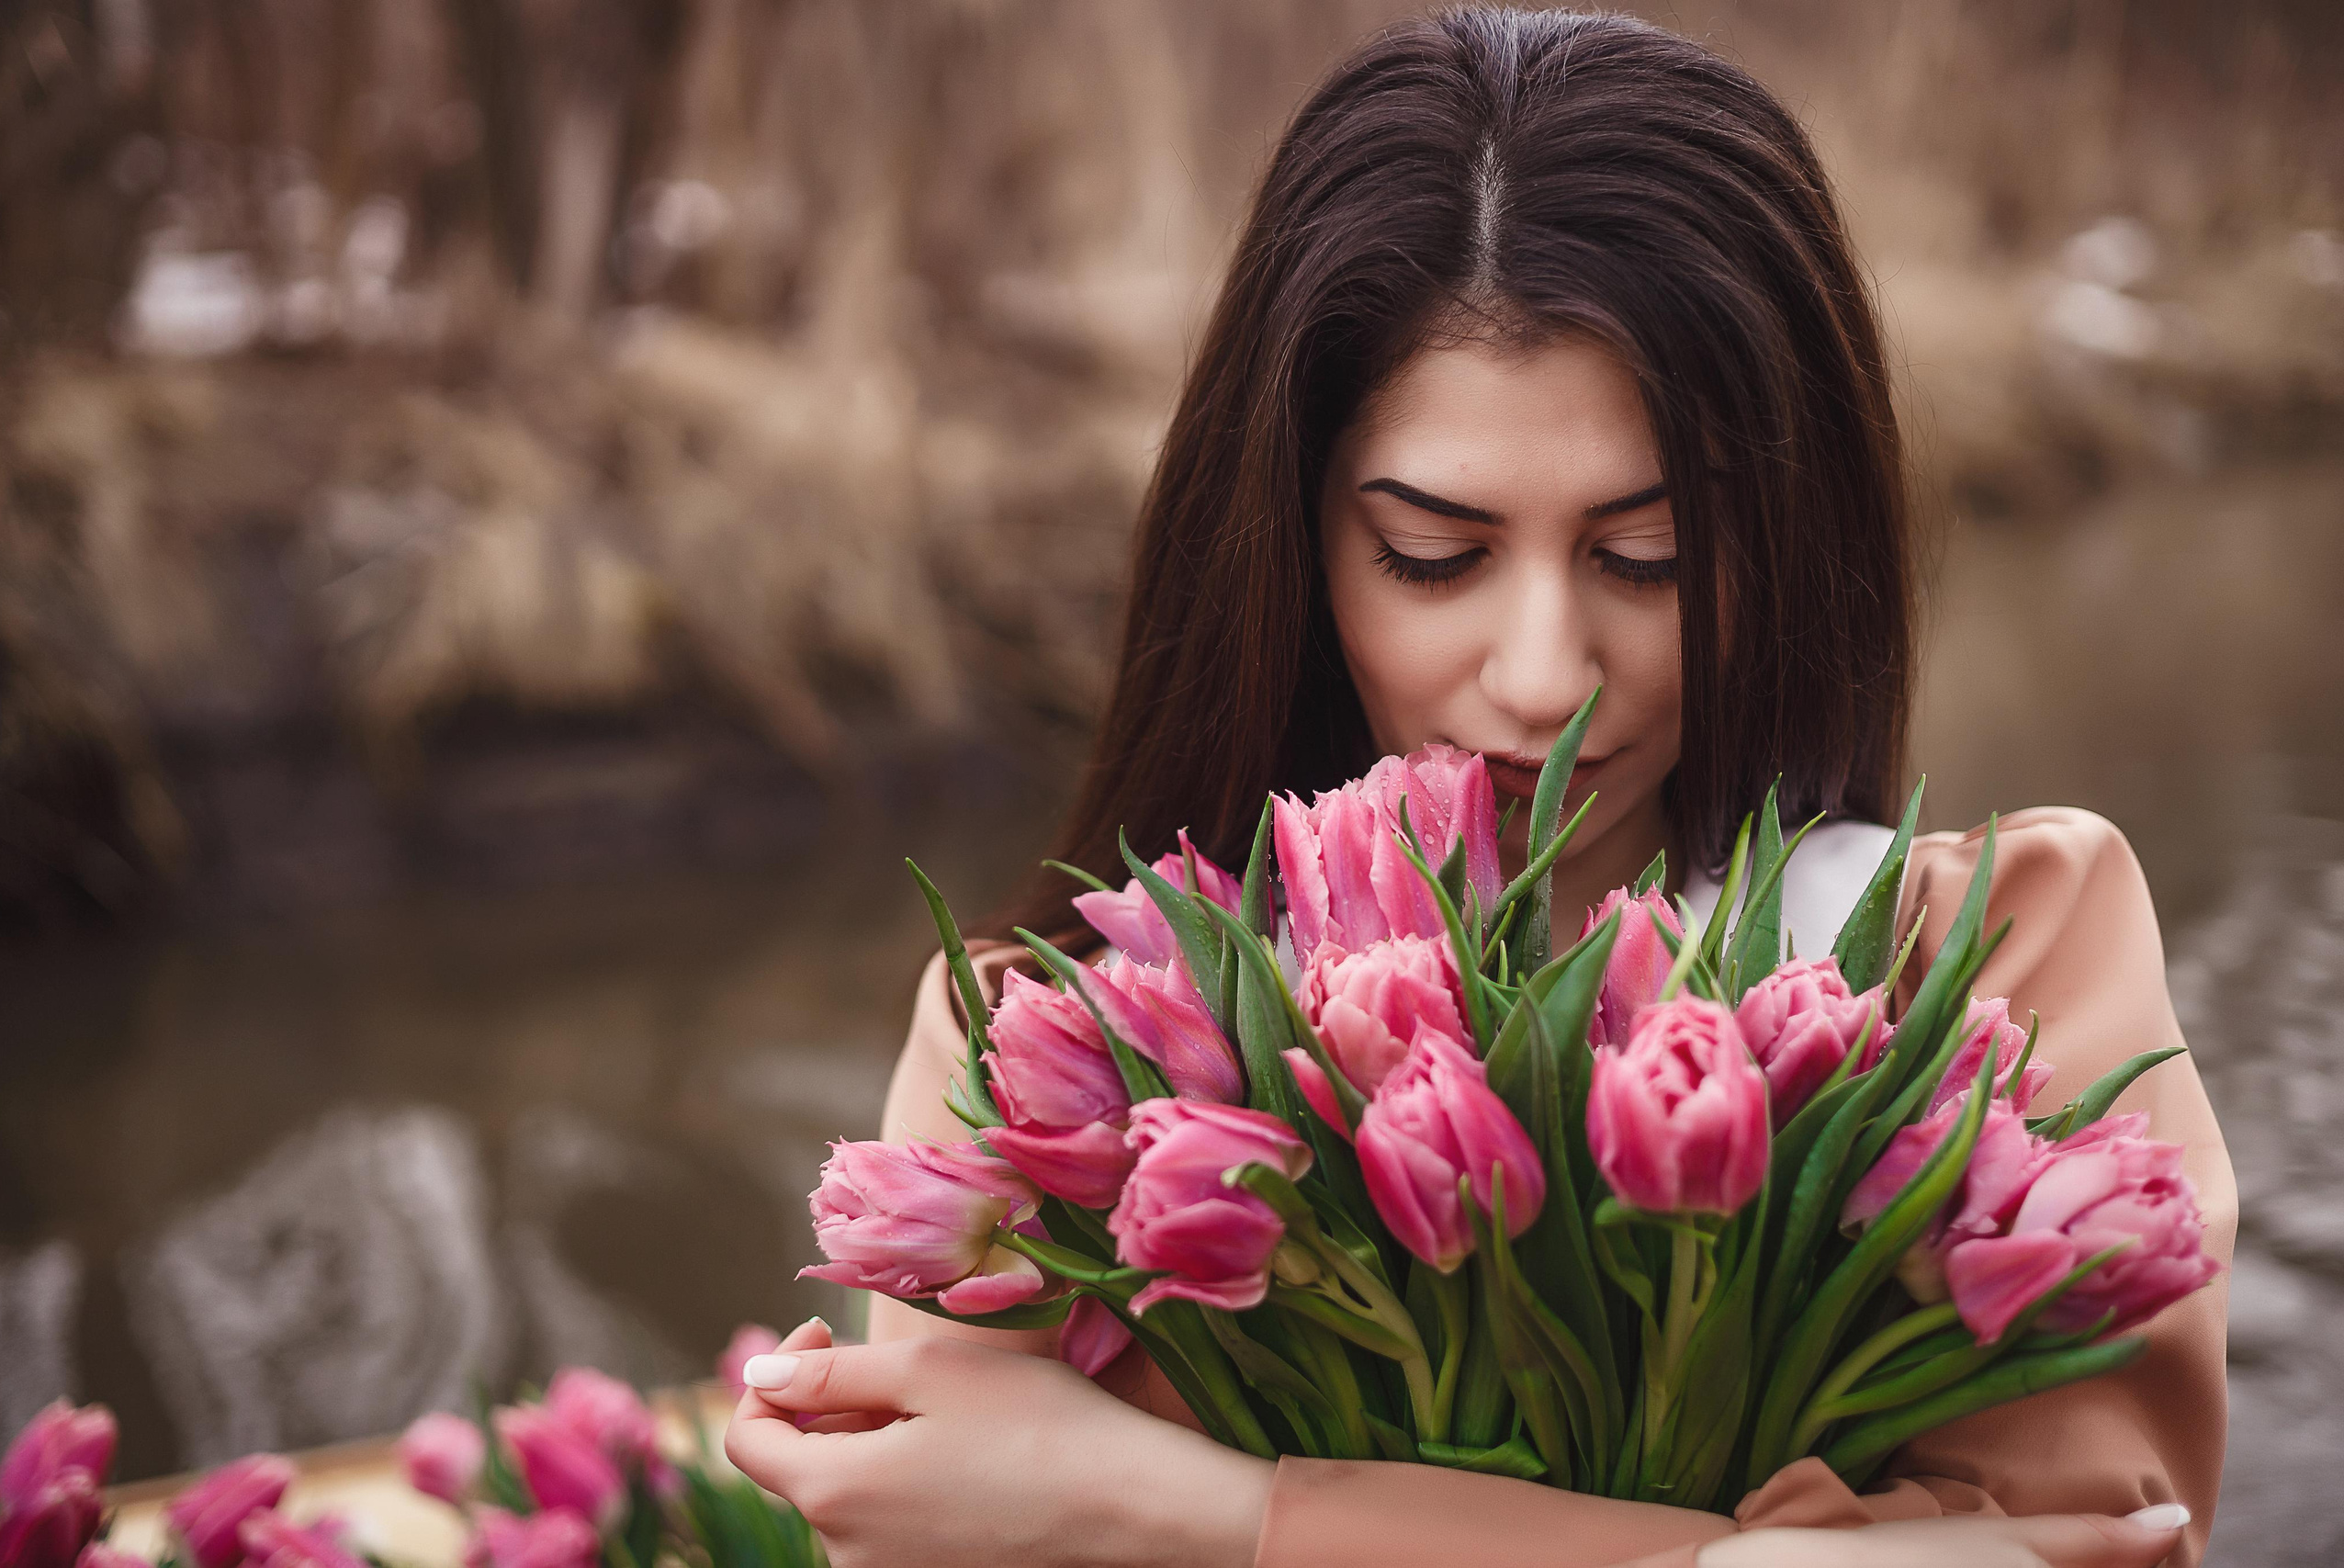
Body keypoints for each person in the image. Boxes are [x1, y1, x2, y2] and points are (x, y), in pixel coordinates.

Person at [725, 10, 2233, 1567]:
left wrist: (1191, 1510)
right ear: (1292, 542)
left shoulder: (1982, 967)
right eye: (1432, 557)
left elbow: (2099, 1547)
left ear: (1794, 538)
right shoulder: (1053, 1049)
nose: (1543, 678)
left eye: (1648, 556)